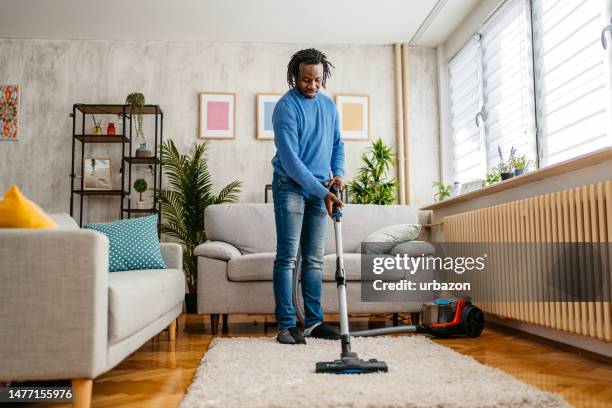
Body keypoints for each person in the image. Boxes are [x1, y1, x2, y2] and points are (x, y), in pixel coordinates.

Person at [271, 48, 345, 345]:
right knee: (288, 258)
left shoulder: (329, 107)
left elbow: (338, 144)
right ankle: (286, 326)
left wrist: (337, 174)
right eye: (305, 80)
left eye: (317, 80)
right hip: (290, 185)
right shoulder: (286, 108)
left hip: (321, 188)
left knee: (314, 260)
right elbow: (290, 161)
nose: (312, 85)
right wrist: (322, 191)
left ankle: (314, 323)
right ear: (294, 77)